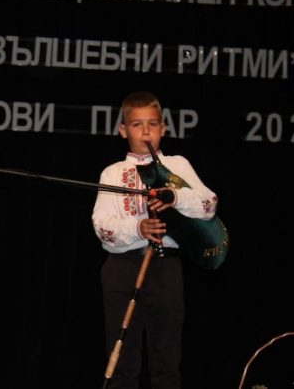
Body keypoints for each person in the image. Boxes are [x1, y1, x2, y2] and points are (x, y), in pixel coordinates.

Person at [92, 91, 218, 388]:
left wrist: (175, 196)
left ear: (163, 128)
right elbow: (102, 227)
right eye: (137, 125)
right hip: (122, 268)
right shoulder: (113, 173)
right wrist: (139, 228)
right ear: (123, 130)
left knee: (166, 360)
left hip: (165, 267)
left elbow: (209, 204)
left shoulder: (177, 165)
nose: (146, 132)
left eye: (152, 124)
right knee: (123, 361)